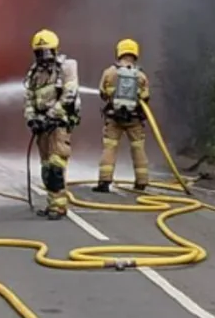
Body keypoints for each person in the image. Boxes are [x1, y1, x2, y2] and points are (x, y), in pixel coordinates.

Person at [24, 28, 81, 219]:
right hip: (43, 127)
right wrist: (32, 119)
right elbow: (29, 98)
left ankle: (59, 207)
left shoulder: (67, 67)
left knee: (56, 167)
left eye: (46, 52)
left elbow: (69, 94)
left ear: (55, 50)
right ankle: (52, 205)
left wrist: (50, 115)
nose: (43, 57)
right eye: (39, 53)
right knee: (47, 168)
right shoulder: (34, 73)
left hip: (58, 124)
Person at [95, 38, 150, 193]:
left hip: (114, 118)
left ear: (119, 52)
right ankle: (141, 182)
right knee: (138, 149)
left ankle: (104, 181)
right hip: (134, 120)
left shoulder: (109, 72)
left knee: (109, 148)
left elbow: (102, 93)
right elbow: (146, 97)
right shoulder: (141, 76)